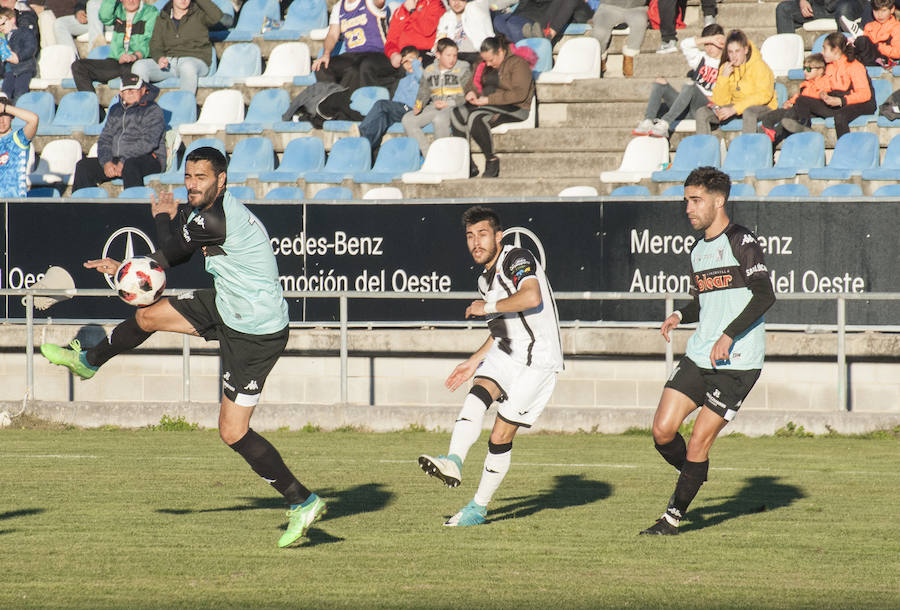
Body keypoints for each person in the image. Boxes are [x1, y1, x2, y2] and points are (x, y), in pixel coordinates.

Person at [40, 146, 327, 548]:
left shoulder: (215, 218)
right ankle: (89, 360)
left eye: (201, 178)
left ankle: (303, 501)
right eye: (188, 176)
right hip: (229, 305)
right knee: (147, 316)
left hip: (255, 332)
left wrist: (135, 256)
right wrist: (159, 226)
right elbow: (173, 250)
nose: (192, 184)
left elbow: (169, 255)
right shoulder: (208, 212)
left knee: (231, 432)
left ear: (221, 180)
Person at [639, 166, 776, 536]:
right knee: (662, 431)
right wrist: (682, 312)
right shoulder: (698, 249)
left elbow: (765, 294)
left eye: (695, 200)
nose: (688, 208)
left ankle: (670, 519)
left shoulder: (741, 241)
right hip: (701, 355)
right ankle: (694, 472)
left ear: (719, 200)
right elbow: (706, 299)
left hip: (738, 363)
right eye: (686, 200)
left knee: (699, 439)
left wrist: (730, 335)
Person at [418, 205, 563, 527]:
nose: (476, 243)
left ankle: (478, 508)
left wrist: (489, 306)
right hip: (508, 351)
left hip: (539, 360)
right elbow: (501, 328)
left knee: (499, 435)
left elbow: (531, 297)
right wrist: (474, 360)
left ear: (498, 236)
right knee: (477, 393)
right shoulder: (486, 279)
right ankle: (454, 461)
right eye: (470, 236)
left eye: (483, 234)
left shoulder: (516, 258)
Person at [450, 34, 534, 178]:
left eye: (491, 60)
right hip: (491, 103)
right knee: (457, 113)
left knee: (476, 117)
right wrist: (470, 92)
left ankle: (491, 160)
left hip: (515, 107)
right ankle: (468, 163)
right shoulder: (483, 63)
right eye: (485, 60)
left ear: (500, 52)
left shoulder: (518, 64)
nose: (488, 64)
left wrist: (488, 100)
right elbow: (472, 84)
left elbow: (519, 94)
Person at [71, 74, 165, 189]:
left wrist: (124, 160)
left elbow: (149, 142)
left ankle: (134, 206)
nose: (130, 92)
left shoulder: (153, 110)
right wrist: (106, 162)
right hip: (118, 159)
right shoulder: (115, 110)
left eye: (134, 89)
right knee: (84, 166)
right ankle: (83, 205)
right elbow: (105, 139)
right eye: (126, 90)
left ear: (143, 90)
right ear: (121, 93)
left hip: (150, 158)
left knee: (130, 165)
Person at [633, 23, 723, 137]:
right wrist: (710, 39)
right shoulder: (701, 58)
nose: (709, 48)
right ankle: (647, 121)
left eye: (713, 44)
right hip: (687, 105)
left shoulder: (727, 63)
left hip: (705, 108)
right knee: (660, 82)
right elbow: (684, 44)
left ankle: (665, 122)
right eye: (707, 44)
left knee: (690, 84)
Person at [784, 31, 874, 138]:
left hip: (861, 103)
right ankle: (806, 134)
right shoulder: (830, 66)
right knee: (801, 101)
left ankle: (844, 149)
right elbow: (821, 88)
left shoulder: (854, 66)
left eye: (824, 49)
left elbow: (865, 94)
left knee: (840, 116)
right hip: (838, 103)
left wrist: (841, 101)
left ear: (835, 50)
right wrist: (822, 95)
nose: (822, 52)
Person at [130, 0, 222, 94]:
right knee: (139, 66)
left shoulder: (200, 14)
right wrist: (159, 57)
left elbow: (217, 16)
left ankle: (185, 106)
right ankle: (142, 105)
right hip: (170, 63)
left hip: (196, 61)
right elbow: (155, 44)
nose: (183, 0)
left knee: (187, 67)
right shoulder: (163, 17)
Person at [694, 29, 776, 135]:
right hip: (735, 106)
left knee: (749, 112)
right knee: (702, 112)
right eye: (730, 52)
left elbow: (763, 96)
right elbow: (720, 102)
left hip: (762, 106)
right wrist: (724, 78)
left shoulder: (759, 66)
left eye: (737, 51)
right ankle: (704, 149)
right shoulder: (726, 67)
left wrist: (735, 109)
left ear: (745, 50)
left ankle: (747, 149)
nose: (733, 56)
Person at [70, 0, 158, 93]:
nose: (131, 1)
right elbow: (104, 17)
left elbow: (150, 42)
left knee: (137, 68)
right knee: (79, 66)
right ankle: (91, 104)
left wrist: (134, 56)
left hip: (137, 62)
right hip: (117, 61)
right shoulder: (118, 10)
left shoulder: (151, 12)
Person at [403, 37, 470, 156]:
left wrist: (447, 104)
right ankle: (429, 156)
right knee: (408, 119)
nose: (452, 59)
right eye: (448, 55)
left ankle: (442, 157)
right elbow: (423, 91)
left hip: (454, 107)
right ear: (438, 55)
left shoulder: (463, 68)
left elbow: (467, 94)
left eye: (455, 55)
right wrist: (419, 105)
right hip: (435, 106)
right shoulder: (429, 70)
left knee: (439, 118)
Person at [357, 45, 422, 158]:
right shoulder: (402, 80)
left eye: (411, 59)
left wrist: (415, 63)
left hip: (411, 109)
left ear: (419, 60)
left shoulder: (421, 76)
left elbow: (421, 76)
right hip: (399, 110)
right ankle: (365, 144)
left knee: (381, 104)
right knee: (382, 118)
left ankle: (360, 132)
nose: (409, 64)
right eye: (405, 61)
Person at [311, 0, 389, 92]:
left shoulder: (369, 2)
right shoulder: (339, 7)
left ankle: (351, 101)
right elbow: (332, 34)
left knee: (356, 68)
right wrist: (326, 54)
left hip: (376, 52)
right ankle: (331, 100)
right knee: (322, 67)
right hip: (353, 54)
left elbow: (380, 2)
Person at [759, 53, 827, 144]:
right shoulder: (805, 84)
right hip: (795, 108)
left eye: (808, 69)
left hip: (809, 111)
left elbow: (815, 98)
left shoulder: (824, 83)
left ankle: (774, 138)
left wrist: (794, 105)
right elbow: (797, 97)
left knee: (788, 116)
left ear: (820, 70)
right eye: (804, 68)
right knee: (773, 114)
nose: (805, 72)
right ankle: (768, 130)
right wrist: (789, 102)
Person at [591, 0, 649, 78]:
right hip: (608, 8)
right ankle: (600, 60)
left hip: (637, 8)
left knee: (640, 23)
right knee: (599, 32)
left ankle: (629, 60)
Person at [840, 0, 900, 69]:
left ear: (892, 9)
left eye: (883, 11)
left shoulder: (896, 27)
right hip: (867, 57)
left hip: (884, 59)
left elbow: (897, 52)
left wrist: (877, 46)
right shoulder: (869, 26)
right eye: (876, 10)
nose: (879, 15)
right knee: (855, 43)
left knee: (863, 40)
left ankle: (858, 34)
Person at [492, 0, 583, 45]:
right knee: (499, 21)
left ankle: (547, 35)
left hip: (539, 21)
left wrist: (551, 31)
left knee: (512, 26)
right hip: (521, 16)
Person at [0, 93, 39, 197]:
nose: (1, 120)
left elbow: (33, 120)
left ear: (11, 117)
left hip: (15, 202)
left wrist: (5, 108)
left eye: (5, 115)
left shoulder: (18, 138)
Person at [434, 0, 491, 66]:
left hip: (476, 54)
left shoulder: (475, 9)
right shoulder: (446, 18)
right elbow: (439, 40)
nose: (456, 3)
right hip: (454, 57)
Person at [0, 6, 37, 101]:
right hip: (9, 72)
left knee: (20, 92)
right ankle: (6, 114)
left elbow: (30, 47)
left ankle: (19, 112)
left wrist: (19, 57)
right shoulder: (3, 39)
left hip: (23, 69)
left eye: (3, 24)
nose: (1, 28)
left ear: (12, 19)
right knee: (5, 93)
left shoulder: (24, 32)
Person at [775, 0, 868, 35]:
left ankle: (843, 59)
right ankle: (788, 57)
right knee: (783, 8)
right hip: (820, 6)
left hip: (847, 4)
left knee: (844, 10)